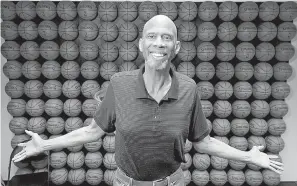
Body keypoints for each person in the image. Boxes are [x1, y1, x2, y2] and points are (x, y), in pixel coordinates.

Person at [13, 15, 284, 186]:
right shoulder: (119, 84)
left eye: (167, 38)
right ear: (141, 44)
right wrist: (44, 144)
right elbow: (92, 131)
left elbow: (204, 142)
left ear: (176, 47)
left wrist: (248, 156)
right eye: (152, 36)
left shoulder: (188, 89)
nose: (159, 43)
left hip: (174, 182)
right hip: (125, 183)